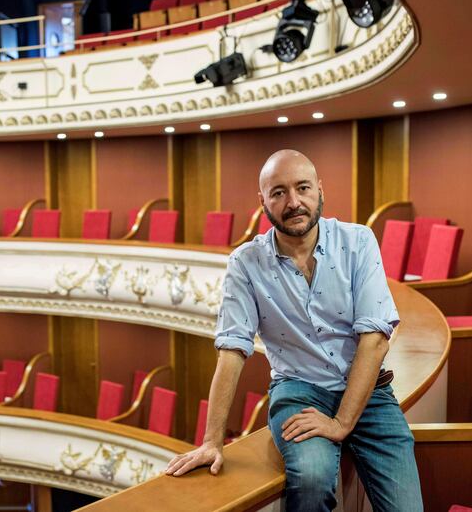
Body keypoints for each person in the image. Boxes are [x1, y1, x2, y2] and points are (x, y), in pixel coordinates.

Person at [164, 150, 423, 512]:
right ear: (263, 202)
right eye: (279, 192)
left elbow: (375, 339)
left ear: (320, 189)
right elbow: (232, 350)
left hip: (369, 392)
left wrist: (340, 422)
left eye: (302, 188)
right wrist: (212, 441)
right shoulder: (245, 262)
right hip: (298, 392)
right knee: (312, 479)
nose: (293, 202)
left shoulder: (358, 241)